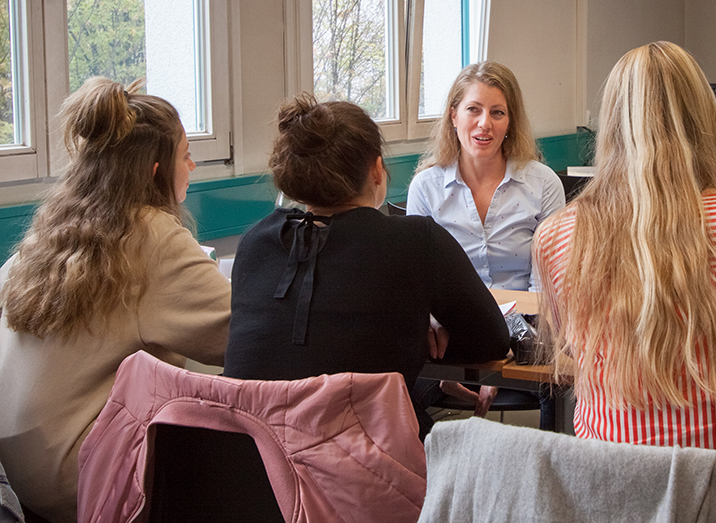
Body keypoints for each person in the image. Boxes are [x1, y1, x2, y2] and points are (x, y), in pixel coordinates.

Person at [534, 41, 716, 452]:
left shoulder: (555, 237)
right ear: (709, 120)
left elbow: (573, 349)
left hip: (614, 495)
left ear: (612, 127)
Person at [0, 77, 231, 522]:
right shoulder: (151, 234)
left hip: (15, 468)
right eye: (186, 155)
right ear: (155, 171)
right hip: (77, 476)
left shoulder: (51, 229)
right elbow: (240, 337)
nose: (194, 165)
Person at [223, 94, 510, 436]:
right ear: (377, 170)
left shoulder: (256, 241)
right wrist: (415, 330)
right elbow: (492, 340)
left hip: (253, 464)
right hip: (366, 470)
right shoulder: (416, 241)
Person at [406, 61, 565, 421]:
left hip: (528, 334)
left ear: (511, 122)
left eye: (497, 113)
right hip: (451, 335)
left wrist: (500, 354)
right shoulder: (426, 186)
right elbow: (417, 279)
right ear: (453, 116)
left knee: (553, 395)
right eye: (473, 110)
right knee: (402, 398)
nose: (484, 124)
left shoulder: (543, 184)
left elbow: (549, 279)